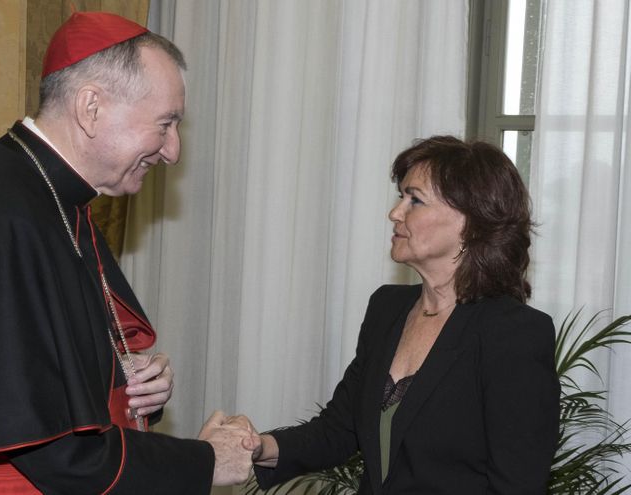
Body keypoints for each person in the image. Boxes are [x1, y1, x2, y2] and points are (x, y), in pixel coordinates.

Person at [0, 11, 256, 494]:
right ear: (91, 106)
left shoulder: (50, 200)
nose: (172, 151)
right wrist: (205, 461)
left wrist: (128, 380)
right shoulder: (2, 221)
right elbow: (52, 452)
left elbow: (53, 383)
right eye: (166, 123)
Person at [240, 136, 560, 493]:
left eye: (415, 200)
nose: (395, 213)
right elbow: (338, 430)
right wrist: (259, 446)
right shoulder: (386, 307)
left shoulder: (513, 333)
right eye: (400, 197)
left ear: (470, 224)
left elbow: (517, 484)